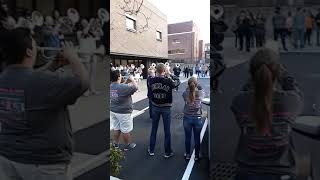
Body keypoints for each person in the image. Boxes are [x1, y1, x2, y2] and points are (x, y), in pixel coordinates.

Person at [0, 28, 89, 180]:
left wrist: (52, 66)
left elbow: (27, 79)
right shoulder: (42, 82)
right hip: (44, 165)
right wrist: (73, 56)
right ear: (29, 52)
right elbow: (82, 83)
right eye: (35, 45)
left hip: (7, 159)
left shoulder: (3, 78)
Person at [231, 48, 303, 180]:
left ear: (252, 74)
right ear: (278, 73)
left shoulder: (239, 102)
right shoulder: (291, 101)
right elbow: (295, 91)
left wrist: (254, 78)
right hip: (282, 172)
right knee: (305, 166)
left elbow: (245, 92)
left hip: (247, 172)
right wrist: (285, 75)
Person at [148, 63, 180, 158]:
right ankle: (167, 152)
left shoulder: (151, 80)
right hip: (166, 108)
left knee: (154, 129)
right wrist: (170, 74)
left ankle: (151, 150)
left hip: (155, 107)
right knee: (167, 131)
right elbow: (177, 82)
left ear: (156, 70)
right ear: (164, 71)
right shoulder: (168, 81)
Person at [110, 71, 138, 151]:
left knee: (116, 128)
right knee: (125, 130)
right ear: (118, 77)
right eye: (120, 75)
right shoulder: (123, 87)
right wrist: (133, 79)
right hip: (123, 112)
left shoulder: (111, 86)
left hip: (113, 110)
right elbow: (136, 87)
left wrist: (126, 82)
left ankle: (115, 144)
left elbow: (120, 88)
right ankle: (127, 145)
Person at [182, 77, 205, 161]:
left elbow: (186, 96)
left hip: (187, 117)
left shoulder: (185, 93)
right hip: (197, 117)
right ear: (196, 84)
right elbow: (202, 91)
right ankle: (196, 155)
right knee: (197, 137)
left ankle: (187, 154)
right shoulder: (200, 93)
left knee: (187, 137)